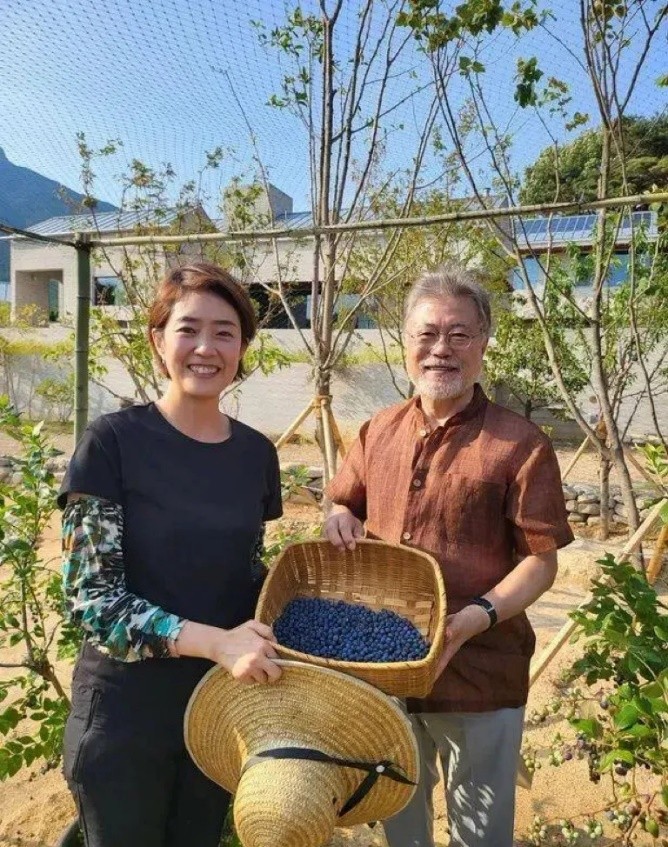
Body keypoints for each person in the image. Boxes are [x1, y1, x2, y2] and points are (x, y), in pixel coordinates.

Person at [323, 264, 573, 847]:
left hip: (480, 671)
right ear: (405, 343)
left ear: (484, 341)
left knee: (480, 833)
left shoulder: (520, 445)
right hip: (383, 665)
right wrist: (339, 518)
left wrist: (472, 620)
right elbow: (343, 500)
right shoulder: (376, 430)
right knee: (399, 820)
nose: (441, 350)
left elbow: (541, 561)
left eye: (459, 334)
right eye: (426, 334)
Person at [59, 263, 283, 847]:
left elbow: (244, 571)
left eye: (225, 332)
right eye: (189, 329)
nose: (206, 347)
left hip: (217, 711)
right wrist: (217, 641)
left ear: (242, 349)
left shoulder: (256, 454)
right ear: (158, 341)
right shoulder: (111, 443)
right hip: (125, 715)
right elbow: (92, 603)